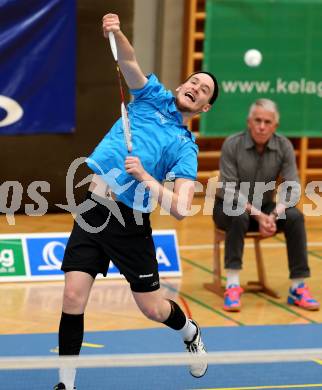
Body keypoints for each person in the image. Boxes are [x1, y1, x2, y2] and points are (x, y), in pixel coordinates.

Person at [53, 12, 219, 390]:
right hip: (94, 207)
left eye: (204, 90)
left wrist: (146, 177)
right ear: (181, 85)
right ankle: (66, 383)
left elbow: (180, 208)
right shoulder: (151, 96)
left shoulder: (185, 149)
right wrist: (117, 31)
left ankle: (189, 330)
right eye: (194, 80)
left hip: (130, 221)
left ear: (204, 108)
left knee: (153, 308)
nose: (196, 87)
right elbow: (128, 62)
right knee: (73, 295)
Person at [213, 98, 319, 313]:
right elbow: (229, 190)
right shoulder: (232, 144)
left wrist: (274, 214)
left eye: (267, 122)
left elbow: (293, 188)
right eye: (257, 120)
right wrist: (259, 215)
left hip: (266, 208)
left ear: (275, 126)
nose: (262, 126)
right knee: (238, 215)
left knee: (295, 217)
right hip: (228, 208)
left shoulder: (284, 146)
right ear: (249, 122)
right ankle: (232, 285)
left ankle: (298, 287)